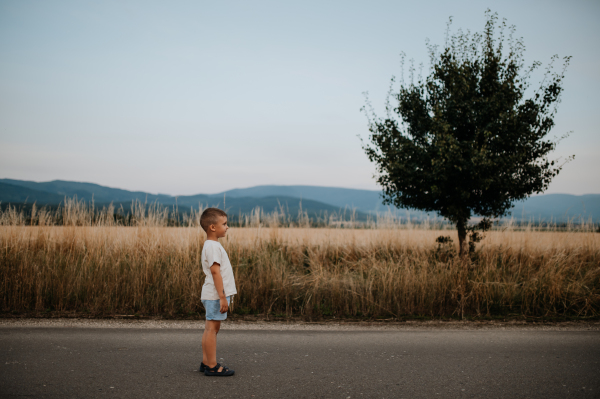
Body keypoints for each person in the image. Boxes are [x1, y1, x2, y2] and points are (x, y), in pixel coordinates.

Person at [198, 207, 237, 377]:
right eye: (224, 224)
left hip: (211, 294)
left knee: (209, 329)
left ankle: (206, 362)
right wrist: (222, 297)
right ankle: (212, 366)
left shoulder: (211, 245)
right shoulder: (213, 246)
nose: (227, 227)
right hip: (215, 295)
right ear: (212, 227)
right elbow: (215, 272)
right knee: (213, 330)